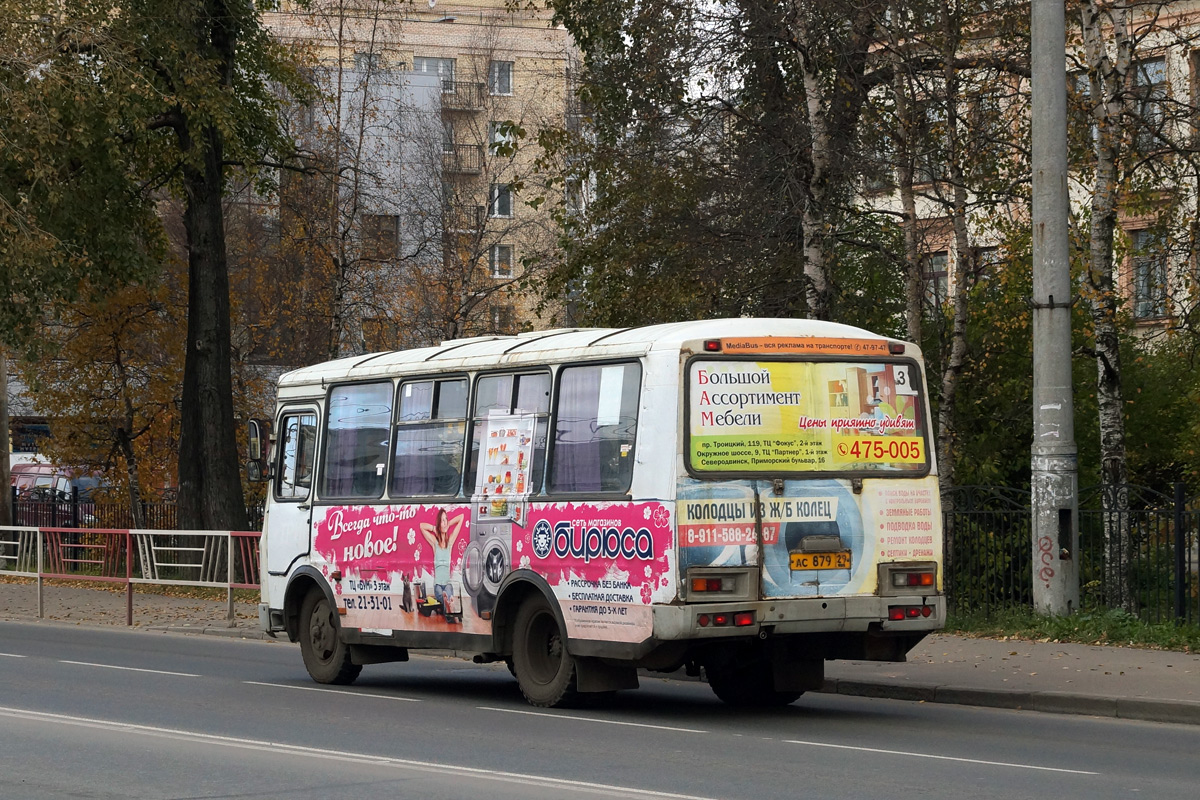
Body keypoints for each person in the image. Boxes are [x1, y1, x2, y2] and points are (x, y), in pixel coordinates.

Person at [420, 508, 464, 615]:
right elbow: (422, 526)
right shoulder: (434, 543)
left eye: (446, 519)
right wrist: (434, 528)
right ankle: (449, 608)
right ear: (439, 524)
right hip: (438, 585)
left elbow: (461, 517)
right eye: (442, 521)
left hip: (447, 583)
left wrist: (448, 524)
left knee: (448, 593)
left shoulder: (450, 542)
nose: (445, 523)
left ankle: (448, 606)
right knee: (441, 595)